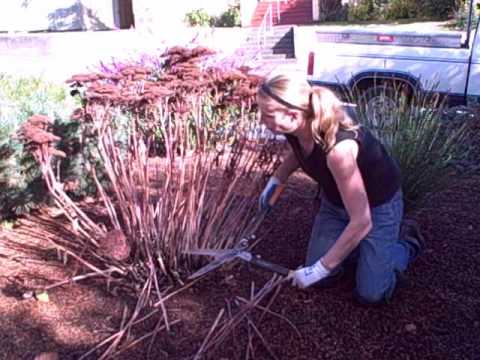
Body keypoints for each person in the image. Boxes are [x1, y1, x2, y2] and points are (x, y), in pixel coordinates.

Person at [257, 74, 423, 304]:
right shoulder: (295, 126)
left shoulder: (339, 151)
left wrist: (319, 269)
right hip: (336, 203)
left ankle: (406, 243)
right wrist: (277, 179)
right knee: (324, 276)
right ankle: (362, 249)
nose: (261, 120)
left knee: (371, 294)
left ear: (293, 115)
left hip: (377, 207)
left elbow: (362, 221)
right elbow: (298, 152)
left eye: (267, 115)